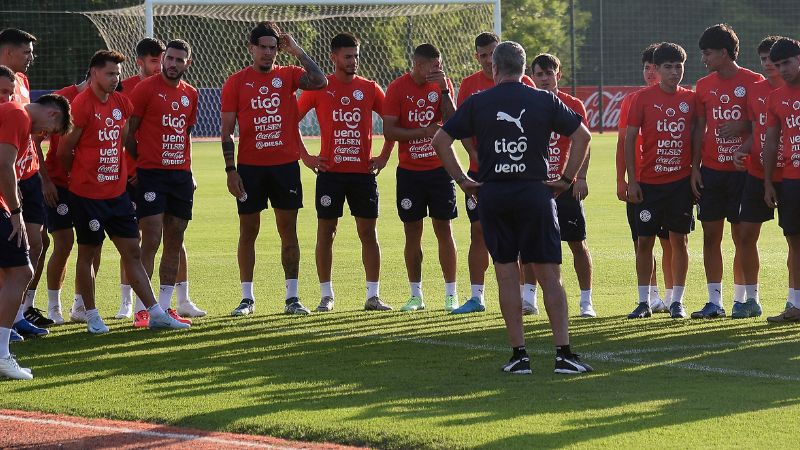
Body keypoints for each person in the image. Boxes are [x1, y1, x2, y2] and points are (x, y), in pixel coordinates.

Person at [433, 41, 593, 375]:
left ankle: (519, 356)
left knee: (506, 273)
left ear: (494, 68)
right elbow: (583, 137)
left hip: (494, 195)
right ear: (524, 70)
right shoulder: (544, 99)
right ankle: (563, 353)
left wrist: (463, 180)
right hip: (536, 192)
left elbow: (440, 141)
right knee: (550, 274)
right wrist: (566, 178)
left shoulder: (478, 101)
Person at [57, 50, 189, 333]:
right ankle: (91, 315)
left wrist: (125, 174)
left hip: (116, 195)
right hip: (87, 195)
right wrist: (80, 176)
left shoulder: (122, 103)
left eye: (117, 74)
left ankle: (154, 312)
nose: (115, 79)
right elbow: (64, 150)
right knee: (88, 252)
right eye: (109, 73)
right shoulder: (81, 105)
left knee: (132, 250)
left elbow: (126, 141)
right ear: (94, 73)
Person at [221, 21, 327, 316]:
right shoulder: (236, 82)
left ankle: (292, 298)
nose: (268, 53)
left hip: (285, 167)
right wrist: (231, 169)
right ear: (251, 48)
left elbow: (320, 82)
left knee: (288, 231)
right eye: (263, 48)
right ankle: (246, 299)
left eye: (273, 48)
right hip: (250, 168)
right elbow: (227, 131)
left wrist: (297, 50)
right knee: (248, 231)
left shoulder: (289, 75)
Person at [297, 32, 393, 312]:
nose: (353, 61)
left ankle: (373, 296)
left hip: (363, 174)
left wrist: (384, 156)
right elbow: (291, 119)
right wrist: (307, 157)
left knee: (368, 233)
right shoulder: (319, 87)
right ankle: (326, 295)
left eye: (356, 56)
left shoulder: (370, 88)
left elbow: (391, 122)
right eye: (348, 56)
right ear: (334, 57)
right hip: (330, 174)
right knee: (326, 232)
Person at [451, 32, 535, 315]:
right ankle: (477, 297)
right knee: (479, 233)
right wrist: (473, 155)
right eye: (483, 55)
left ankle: (525, 299)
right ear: (477, 57)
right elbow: (459, 126)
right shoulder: (469, 85)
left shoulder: (524, 83)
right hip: (480, 174)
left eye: (492, 54)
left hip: (515, 172)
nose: (489, 60)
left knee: (522, 236)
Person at [126, 39, 205, 329]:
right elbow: (128, 133)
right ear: (163, 61)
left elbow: (185, 136)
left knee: (175, 238)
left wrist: (190, 171)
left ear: (187, 63)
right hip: (152, 174)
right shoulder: (145, 89)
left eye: (178, 60)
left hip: (180, 177)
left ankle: (165, 306)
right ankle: (143, 310)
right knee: (152, 237)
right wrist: (141, 163)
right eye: (168, 59)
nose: (172, 64)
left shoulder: (191, 94)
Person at [691, 24, 764, 319]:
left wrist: (743, 126)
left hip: (743, 172)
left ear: (724, 52)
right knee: (710, 236)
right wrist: (694, 167)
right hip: (711, 170)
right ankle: (714, 301)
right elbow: (699, 128)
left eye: (707, 53)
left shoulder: (754, 81)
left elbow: (765, 123)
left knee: (742, 237)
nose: (704, 58)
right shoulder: (704, 85)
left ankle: (744, 299)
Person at [0, 93, 72, 379]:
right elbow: (4, 165)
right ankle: (2, 355)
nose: (42, 135)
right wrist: (16, 212)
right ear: (52, 114)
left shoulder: (11, 112)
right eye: (48, 131)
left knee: (14, 271)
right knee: (21, 271)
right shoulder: (18, 114)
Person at [383, 43, 458, 312]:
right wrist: (423, 132)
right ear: (418, 65)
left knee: (444, 230)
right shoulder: (397, 88)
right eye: (433, 66)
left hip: (440, 171)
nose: (438, 70)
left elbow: (454, 123)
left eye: (440, 65)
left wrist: (443, 90)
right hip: (410, 173)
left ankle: (451, 294)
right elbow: (389, 130)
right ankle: (416, 295)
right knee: (412, 233)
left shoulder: (443, 85)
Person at [625, 42, 697, 320]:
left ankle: (676, 300)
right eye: (668, 67)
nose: (674, 72)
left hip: (680, 183)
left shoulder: (690, 99)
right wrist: (633, 180)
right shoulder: (642, 98)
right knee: (645, 241)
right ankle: (644, 301)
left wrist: (695, 170)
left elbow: (697, 135)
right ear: (656, 69)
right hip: (650, 183)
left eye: (679, 66)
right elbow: (630, 139)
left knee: (680, 240)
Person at [529, 53, 596, 318]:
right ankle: (528, 298)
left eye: (549, 73)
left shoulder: (573, 104)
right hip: (536, 184)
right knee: (529, 244)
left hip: (565, 184)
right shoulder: (526, 103)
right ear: (532, 76)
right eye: (539, 74)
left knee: (577, 242)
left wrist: (580, 177)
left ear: (559, 74)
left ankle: (586, 301)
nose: (544, 79)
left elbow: (585, 143)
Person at [0, 28, 53, 334]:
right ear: (8, 52)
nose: (32, 58)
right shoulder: (4, 83)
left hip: (29, 175)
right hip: (9, 177)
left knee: (37, 242)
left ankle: (19, 312)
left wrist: (44, 176)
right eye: (27, 52)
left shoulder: (21, 82)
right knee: (10, 246)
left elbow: (28, 137)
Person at [732, 36, 788, 318]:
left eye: (773, 60)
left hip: (790, 174)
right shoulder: (754, 91)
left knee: (795, 240)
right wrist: (741, 151)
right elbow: (757, 132)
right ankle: (752, 299)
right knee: (745, 236)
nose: (768, 65)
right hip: (756, 173)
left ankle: (793, 301)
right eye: (764, 59)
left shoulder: (794, 90)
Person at [616, 44, 673, 314]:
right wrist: (622, 179)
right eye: (646, 67)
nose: (650, 73)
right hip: (641, 180)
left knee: (671, 241)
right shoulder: (632, 100)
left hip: (669, 179)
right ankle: (651, 296)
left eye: (654, 67)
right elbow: (622, 143)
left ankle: (673, 297)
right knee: (642, 240)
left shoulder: (679, 98)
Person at [43, 69, 95, 325]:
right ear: (92, 75)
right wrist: (45, 180)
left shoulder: (104, 101)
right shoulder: (63, 98)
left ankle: (81, 304)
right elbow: (33, 141)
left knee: (91, 244)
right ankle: (54, 306)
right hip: (60, 184)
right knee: (63, 242)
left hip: (90, 185)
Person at [762, 37, 800, 323]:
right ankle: (796, 306)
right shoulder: (776, 98)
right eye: (778, 65)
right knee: (794, 243)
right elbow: (771, 143)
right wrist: (767, 182)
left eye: (787, 62)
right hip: (790, 180)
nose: (783, 69)